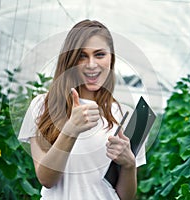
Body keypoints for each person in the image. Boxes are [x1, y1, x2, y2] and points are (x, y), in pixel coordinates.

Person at [18, 19, 146, 200]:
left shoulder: (125, 115)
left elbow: (125, 197)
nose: (91, 64)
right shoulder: (43, 106)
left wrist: (129, 165)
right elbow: (46, 179)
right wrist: (71, 129)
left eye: (100, 55)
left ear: (111, 58)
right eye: (82, 56)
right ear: (69, 60)